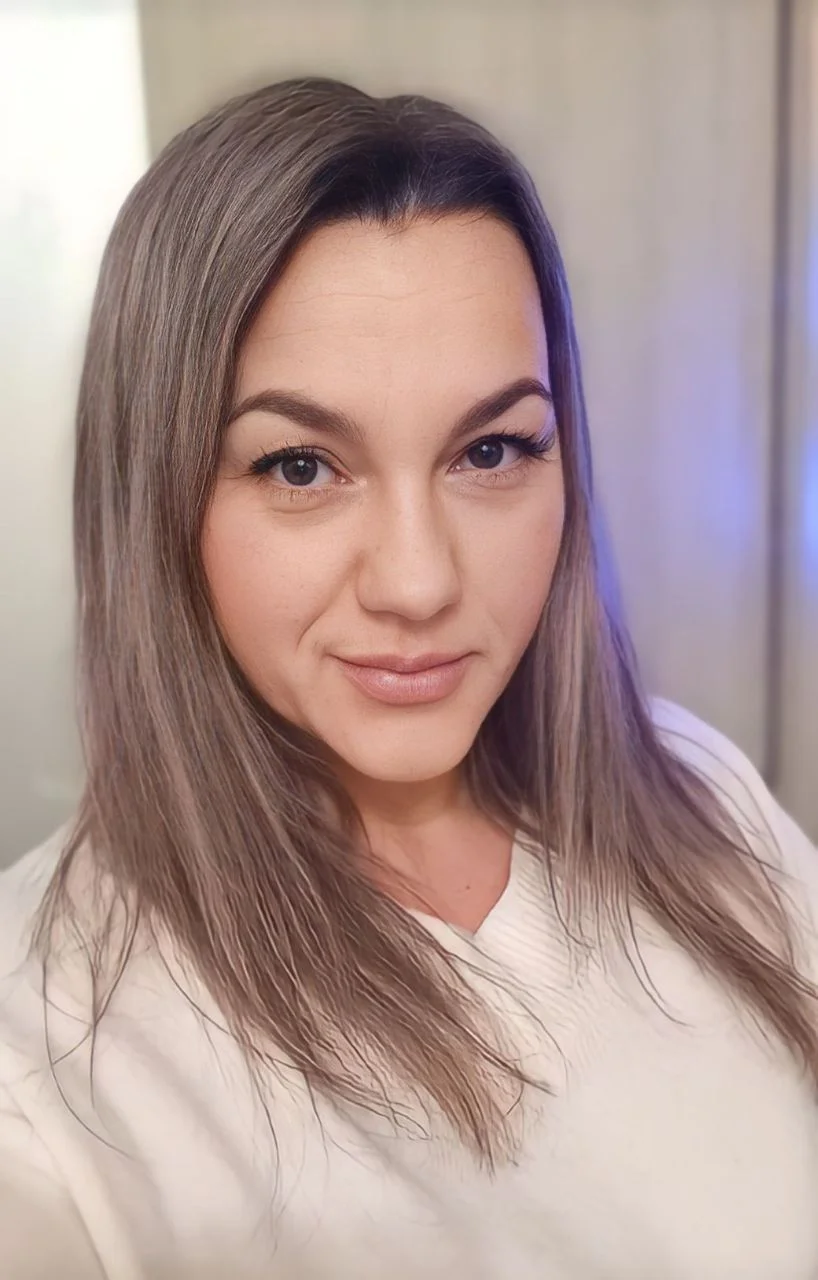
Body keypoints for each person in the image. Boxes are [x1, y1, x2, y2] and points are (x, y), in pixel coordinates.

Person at [0, 74, 816, 1280]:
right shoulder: (42, 1057)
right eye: (299, 466)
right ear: (155, 498)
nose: (419, 581)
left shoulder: (697, 793)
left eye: (490, 449)